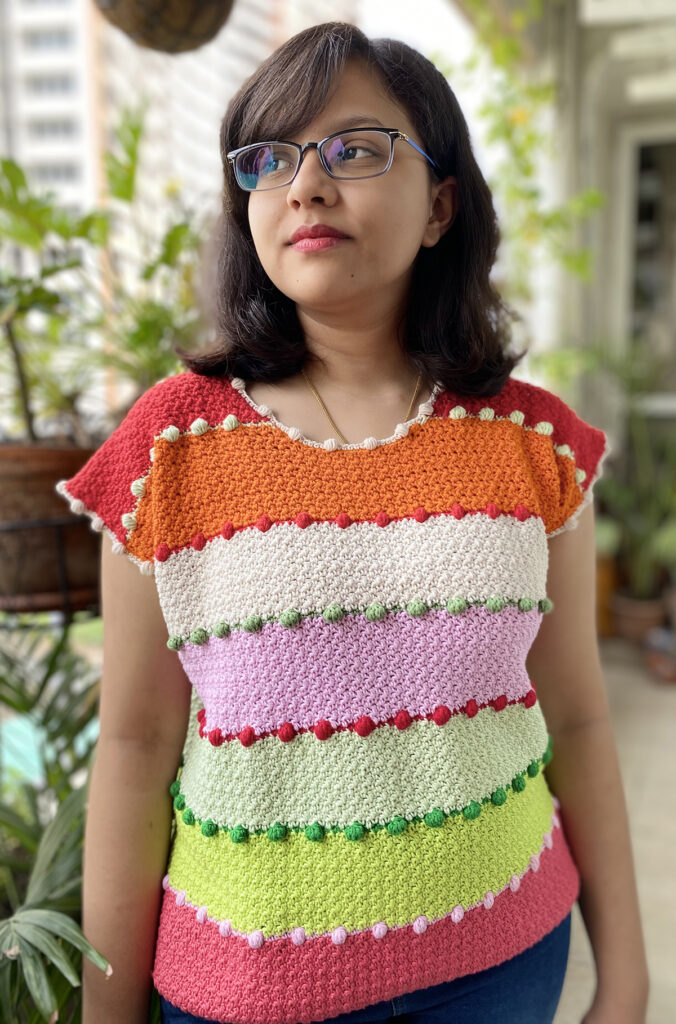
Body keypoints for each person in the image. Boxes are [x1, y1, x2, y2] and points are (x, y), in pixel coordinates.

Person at [55, 20, 649, 1024]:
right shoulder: (170, 446)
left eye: (355, 149)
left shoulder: (532, 443)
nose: (307, 184)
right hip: (248, 983)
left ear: (439, 206)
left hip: (503, 955)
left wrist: (626, 981)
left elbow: (580, 719)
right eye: (270, 158)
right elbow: (136, 745)